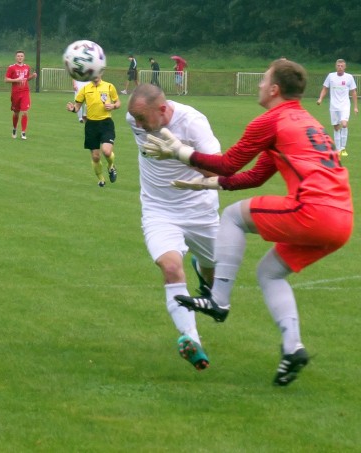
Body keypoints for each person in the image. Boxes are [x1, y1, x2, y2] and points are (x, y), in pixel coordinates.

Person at [143, 59, 353, 386]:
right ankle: (292, 348)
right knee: (269, 273)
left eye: (263, 80)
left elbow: (228, 164)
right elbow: (254, 176)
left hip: (313, 209)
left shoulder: (269, 121)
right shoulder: (306, 120)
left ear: (274, 89)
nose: (258, 84)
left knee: (232, 216)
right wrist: (209, 184)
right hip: (343, 219)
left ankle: (218, 300)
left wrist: (181, 153)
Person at [127, 83, 221, 370]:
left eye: (144, 118)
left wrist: (180, 152)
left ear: (164, 109)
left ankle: (205, 276)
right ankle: (191, 339)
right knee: (170, 267)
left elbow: (219, 169)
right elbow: (138, 119)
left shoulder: (193, 123)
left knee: (213, 270)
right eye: (136, 119)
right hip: (159, 210)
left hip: (200, 209)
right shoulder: (135, 119)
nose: (139, 125)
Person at [66, 75, 120, 187]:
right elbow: (78, 106)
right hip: (91, 125)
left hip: (106, 123)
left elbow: (118, 102)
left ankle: (111, 166)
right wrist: (73, 109)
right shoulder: (85, 89)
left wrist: (113, 106)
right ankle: (101, 179)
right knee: (96, 157)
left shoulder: (109, 86)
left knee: (107, 151)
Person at [316, 59, 358, 156]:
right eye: (338, 65)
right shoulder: (331, 76)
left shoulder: (349, 77)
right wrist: (320, 99)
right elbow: (325, 88)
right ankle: (338, 150)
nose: (340, 67)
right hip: (334, 106)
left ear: (345, 67)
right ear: (336, 66)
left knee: (344, 124)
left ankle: (343, 148)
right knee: (336, 127)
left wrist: (355, 107)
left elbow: (353, 92)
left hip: (345, 105)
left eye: (341, 66)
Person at [5, 50, 37, 140]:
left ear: (24, 57)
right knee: (16, 113)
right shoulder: (11, 67)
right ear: (16, 57)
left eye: (21, 56)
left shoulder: (27, 67)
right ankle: (14, 128)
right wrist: (16, 80)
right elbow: (6, 79)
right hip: (15, 93)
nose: (20, 57)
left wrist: (32, 76)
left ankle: (23, 132)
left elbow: (26, 79)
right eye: (18, 56)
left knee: (25, 111)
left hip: (25, 92)